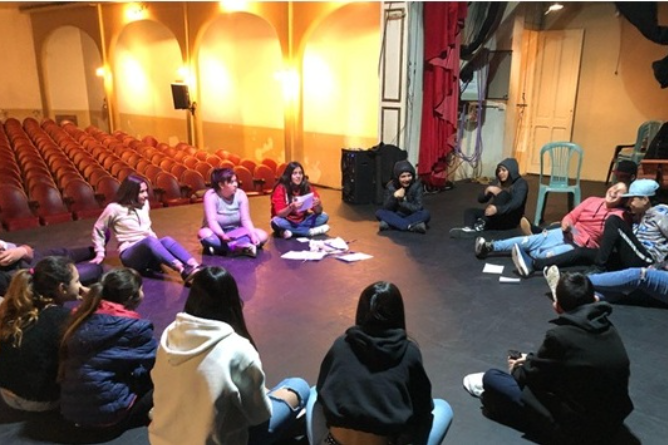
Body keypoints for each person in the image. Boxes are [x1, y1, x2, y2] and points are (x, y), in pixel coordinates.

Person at [463, 273, 633, 444]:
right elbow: (573, 364)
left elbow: (530, 378)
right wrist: (531, 359)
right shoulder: (609, 328)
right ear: (595, 299)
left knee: (492, 378)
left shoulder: (560, 337)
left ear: (556, 307)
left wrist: (516, 368)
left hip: (579, 431)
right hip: (612, 422)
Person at [149, 266, 310, 445]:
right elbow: (259, 416)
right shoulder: (237, 348)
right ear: (233, 301)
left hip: (162, 439)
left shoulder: (170, 334)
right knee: (298, 386)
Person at [307, 281, 453, 445]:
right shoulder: (409, 352)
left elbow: (322, 391)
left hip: (332, 442)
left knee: (313, 393)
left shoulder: (341, 344)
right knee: (442, 408)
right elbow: (422, 410)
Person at [59, 268, 155, 430]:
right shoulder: (135, 328)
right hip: (108, 416)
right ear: (132, 297)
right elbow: (156, 365)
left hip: (72, 411)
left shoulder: (80, 315)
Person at [475, 182, 629, 277]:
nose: (614, 191)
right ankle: (490, 246)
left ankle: (530, 253)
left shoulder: (619, 216)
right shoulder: (592, 200)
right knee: (528, 240)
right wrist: (566, 223)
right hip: (568, 232)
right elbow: (571, 216)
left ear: (624, 198)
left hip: (580, 244)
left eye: (619, 192)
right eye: (614, 187)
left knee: (547, 255)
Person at [0, 256, 85, 412]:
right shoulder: (62, 318)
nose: (81, 286)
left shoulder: (19, 307)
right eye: (77, 281)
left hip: (6, 394)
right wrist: (94, 302)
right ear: (62, 288)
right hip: (39, 400)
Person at [91, 174, 202, 284]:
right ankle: (182, 270)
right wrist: (100, 252)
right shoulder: (114, 208)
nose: (146, 195)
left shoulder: (144, 204)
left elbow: (146, 229)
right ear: (131, 192)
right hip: (130, 254)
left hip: (149, 251)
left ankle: (195, 266)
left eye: (146, 191)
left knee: (167, 240)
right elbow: (98, 228)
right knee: (149, 240)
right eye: (141, 192)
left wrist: (158, 247)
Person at [590, 178, 668, 272]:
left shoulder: (661, 213)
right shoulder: (638, 214)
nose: (628, 203)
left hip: (648, 261)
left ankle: (598, 268)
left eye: (632, 199)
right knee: (584, 253)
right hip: (635, 254)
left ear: (644, 200)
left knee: (613, 221)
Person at [198, 167, 268, 258]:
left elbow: (245, 220)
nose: (236, 184)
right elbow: (212, 221)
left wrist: (252, 235)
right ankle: (239, 247)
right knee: (204, 234)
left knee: (262, 235)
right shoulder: (211, 195)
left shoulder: (240, 194)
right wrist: (222, 235)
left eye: (235, 181)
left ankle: (228, 248)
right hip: (218, 234)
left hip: (236, 232)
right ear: (221, 185)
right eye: (231, 182)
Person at [450, 158, 528, 238]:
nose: (500, 173)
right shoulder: (499, 181)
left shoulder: (521, 184)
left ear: (511, 171)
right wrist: (487, 190)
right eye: (499, 170)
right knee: (470, 212)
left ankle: (481, 225)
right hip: (496, 215)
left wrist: (497, 210)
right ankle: (469, 230)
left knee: (503, 194)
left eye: (504, 170)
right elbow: (481, 200)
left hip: (510, 219)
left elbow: (517, 203)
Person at [0, 239, 102, 296]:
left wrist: (22, 251)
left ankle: (97, 249)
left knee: (65, 253)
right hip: (31, 275)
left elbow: (28, 251)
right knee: (93, 269)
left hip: (29, 258)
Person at [270, 161, 330, 239]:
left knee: (324, 216)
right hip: (287, 220)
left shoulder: (307, 187)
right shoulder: (281, 188)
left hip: (303, 220)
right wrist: (291, 207)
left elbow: (318, 211)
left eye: (300, 173)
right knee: (276, 221)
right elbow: (279, 214)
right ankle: (308, 232)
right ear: (289, 175)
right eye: (295, 173)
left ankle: (290, 232)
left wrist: (317, 205)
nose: (298, 176)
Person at [376, 160, 431, 233]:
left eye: (409, 176)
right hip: (396, 214)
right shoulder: (391, 186)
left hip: (411, 214)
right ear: (397, 177)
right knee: (379, 212)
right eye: (403, 177)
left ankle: (393, 224)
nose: (407, 179)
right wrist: (394, 196)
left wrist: (401, 202)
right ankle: (411, 226)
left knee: (425, 214)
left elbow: (418, 208)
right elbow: (386, 208)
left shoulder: (417, 185)